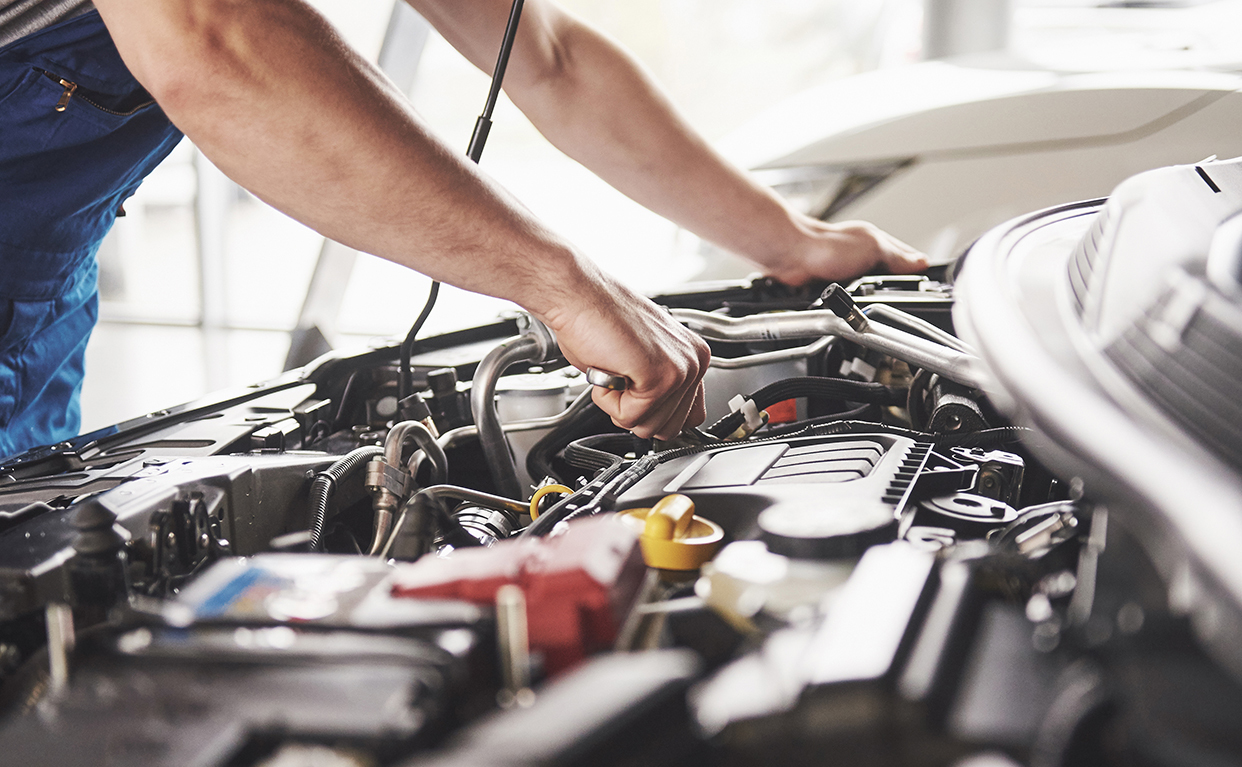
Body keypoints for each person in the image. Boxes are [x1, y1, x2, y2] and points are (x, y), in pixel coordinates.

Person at [0, 0, 927, 457]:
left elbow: (547, 59)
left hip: (35, 303)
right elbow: (216, 42)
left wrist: (787, 241)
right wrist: (567, 287)